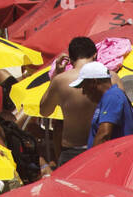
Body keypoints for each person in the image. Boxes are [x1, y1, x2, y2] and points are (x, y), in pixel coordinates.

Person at [41, 37, 102, 166]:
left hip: (72, 152)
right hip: (103, 148)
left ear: (71, 60)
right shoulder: (111, 78)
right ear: (95, 55)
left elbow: (44, 110)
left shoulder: (61, 80)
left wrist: (56, 74)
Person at [73, 60, 133, 147]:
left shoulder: (112, 96)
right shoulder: (111, 96)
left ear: (93, 82)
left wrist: (92, 159)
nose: (84, 92)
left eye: (84, 87)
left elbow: (104, 135)